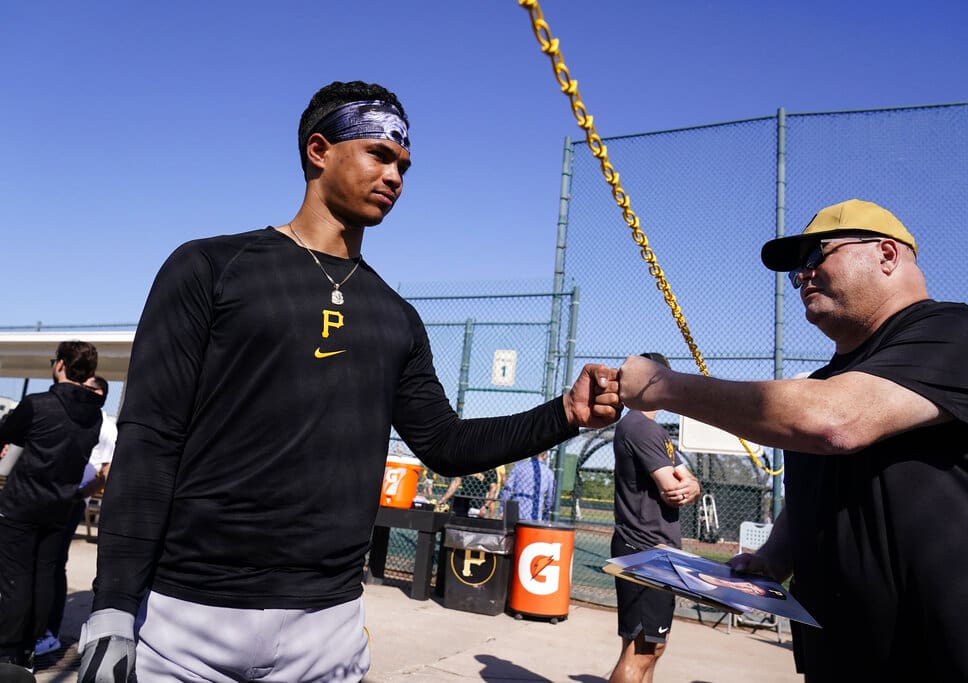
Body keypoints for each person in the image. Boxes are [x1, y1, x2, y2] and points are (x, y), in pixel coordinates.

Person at [77, 80, 620, 683]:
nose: (395, 176)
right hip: (188, 619)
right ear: (318, 150)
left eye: (404, 165)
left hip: (328, 626)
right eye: (378, 155)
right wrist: (112, 608)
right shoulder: (208, 267)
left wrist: (566, 413)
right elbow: (150, 439)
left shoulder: (397, 317)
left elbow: (446, 445)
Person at [618, 198, 968, 682]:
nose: (802, 276)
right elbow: (814, 493)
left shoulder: (962, 335)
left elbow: (837, 422)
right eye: (795, 272)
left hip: (961, 657)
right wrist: (773, 558)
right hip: (844, 658)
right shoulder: (828, 379)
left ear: (887, 255)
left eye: (815, 257)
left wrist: (661, 385)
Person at [0, 341, 103, 671]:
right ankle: (30, 649)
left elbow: (7, 433)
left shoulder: (38, 404)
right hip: (60, 505)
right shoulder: (96, 415)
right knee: (44, 576)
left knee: (15, 578)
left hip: (22, 502)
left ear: (60, 365)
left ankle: (9, 652)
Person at [610, 352, 701, 683]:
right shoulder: (640, 427)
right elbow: (672, 488)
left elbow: (688, 482)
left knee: (649, 650)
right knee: (641, 653)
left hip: (650, 550)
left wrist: (692, 485)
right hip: (645, 550)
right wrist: (685, 486)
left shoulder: (651, 430)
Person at [35, 376, 117, 658]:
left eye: (90, 387)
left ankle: (50, 632)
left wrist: (80, 494)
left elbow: (106, 470)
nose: (83, 390)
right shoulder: (73, 416)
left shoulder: (106, 425)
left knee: (55, 561)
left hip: (71, 501)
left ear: (102, 393)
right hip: (49, 496)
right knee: (37, 560)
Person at [499, 451, 557, 522]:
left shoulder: (518, 467)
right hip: (535, 516)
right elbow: (550, 498)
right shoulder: (549, 473)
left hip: (516, 511)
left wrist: (502, 508)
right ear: (544, 456)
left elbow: (507, 489)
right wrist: (546, 513)